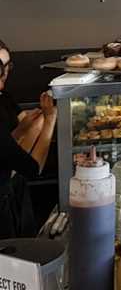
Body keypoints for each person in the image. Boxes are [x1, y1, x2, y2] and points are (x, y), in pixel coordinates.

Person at [0, 43, 58, 239]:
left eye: (7, 66)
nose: (4, 73)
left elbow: (6, 148)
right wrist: (50, 120)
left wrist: (23, 129)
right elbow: (33, 169)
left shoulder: (2, 97)